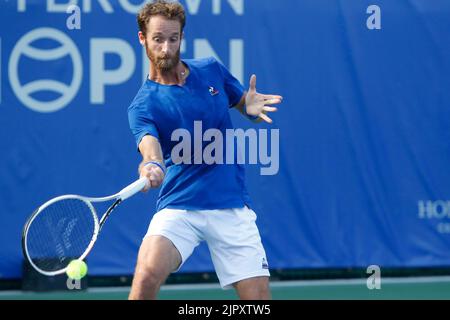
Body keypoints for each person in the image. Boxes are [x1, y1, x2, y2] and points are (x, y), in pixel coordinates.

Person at [127, 0, 282, 300]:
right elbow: (150, 150)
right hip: (180, 206)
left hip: (230, 204)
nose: (166, 48)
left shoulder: (211, 69)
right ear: (142, 38)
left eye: (173, 39)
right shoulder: (142, 105)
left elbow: (242, 103)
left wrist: (248, 108)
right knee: (146, 274)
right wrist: (151, 166)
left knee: (258, 301)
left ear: (182, 37)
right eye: (158, 39)